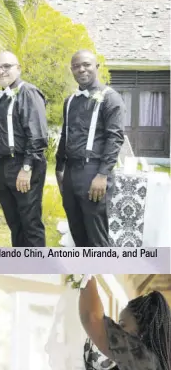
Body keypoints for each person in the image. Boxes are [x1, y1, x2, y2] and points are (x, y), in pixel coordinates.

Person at [55, 50, 125, 247]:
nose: (81, 69)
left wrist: (102, 175)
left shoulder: (111, 98)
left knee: (96, 235)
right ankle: (85, 276)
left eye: (86, 64)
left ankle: (102, 274)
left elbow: (115, 138)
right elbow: (64, 136)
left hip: (93, 172)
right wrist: (59, 169)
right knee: (77, 229)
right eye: (76, 66)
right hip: (70, 172)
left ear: (96, 67)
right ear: (72, 70)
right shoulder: (70, 101)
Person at [0, 51, 48, 247]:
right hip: (4, 165)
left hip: (24, 164)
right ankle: (20, 267)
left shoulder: (28, 92)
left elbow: (38, 136)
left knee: (30, 222)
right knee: (14, 222)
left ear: (18, 68)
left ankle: (38, 271)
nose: (1, 71)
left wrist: (27, 168)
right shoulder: (0, 97)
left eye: (7, 66)